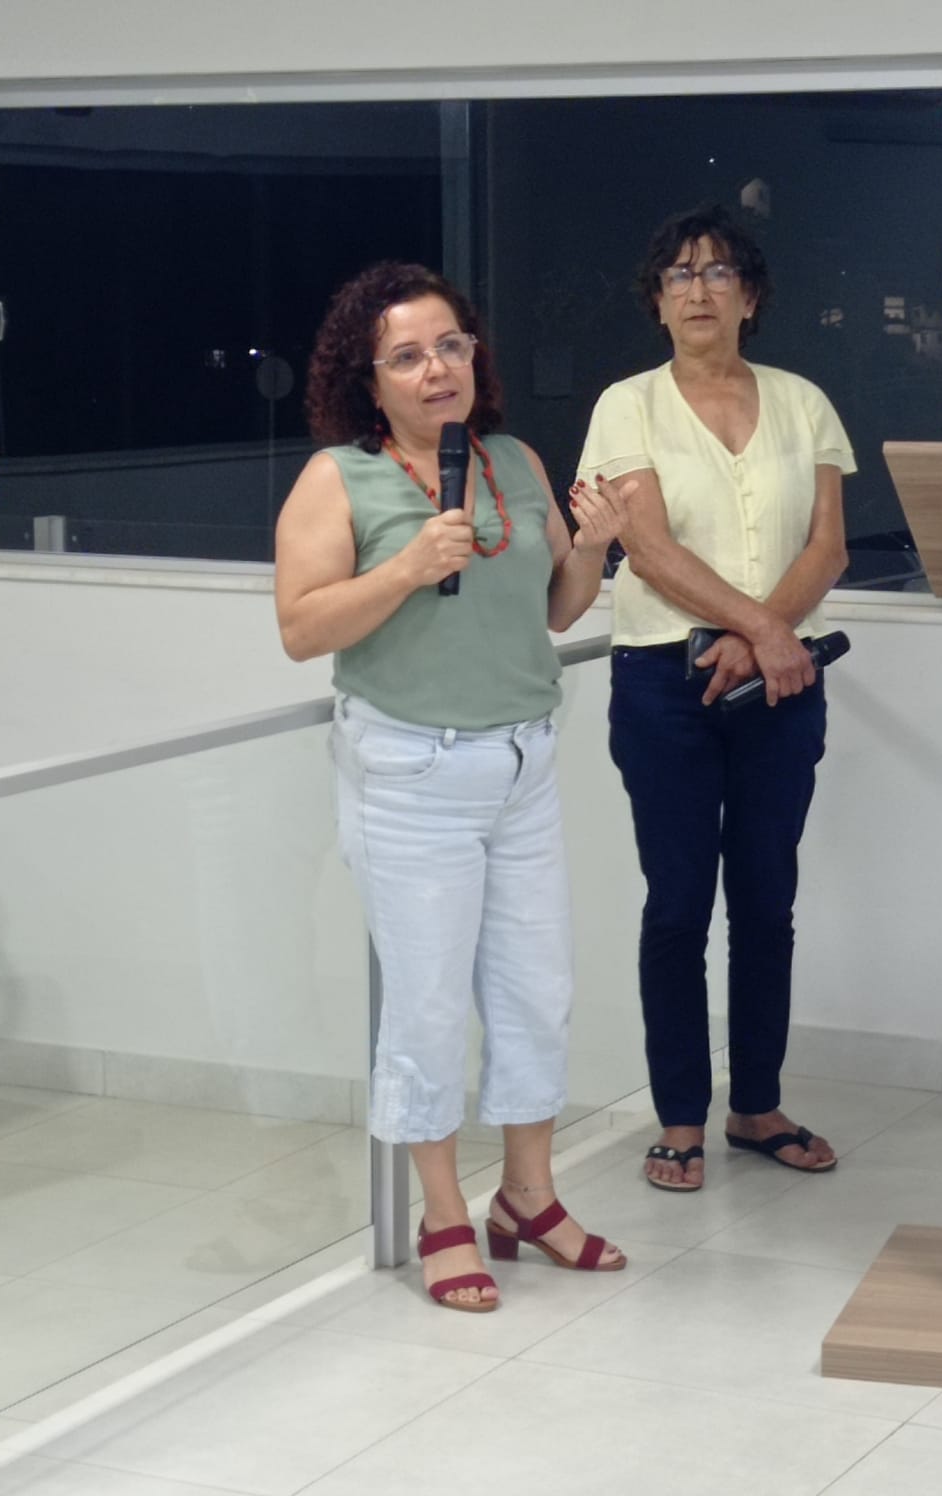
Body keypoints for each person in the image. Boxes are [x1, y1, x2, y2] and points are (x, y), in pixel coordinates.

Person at [275, 262, 626, 1310]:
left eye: (451, 345)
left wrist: (595, 546)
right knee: (427, 1005)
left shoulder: (512, 459)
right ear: (368, 379)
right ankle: (441, 1214)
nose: (438, 369)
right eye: (408, 355)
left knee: (536, 990)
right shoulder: (339, 479)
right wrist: (404, 568)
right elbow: (301, 629)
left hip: (522, 763)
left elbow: (555, 607)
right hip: (410, 772)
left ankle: (528, 1198)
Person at [575, 205, 854, 1192]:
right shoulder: (626, 406)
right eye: (679, 275)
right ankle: (681, 1117)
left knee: (767, 901)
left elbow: (827, 546)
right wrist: (767, 633)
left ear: (751, 295)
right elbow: (646, 548)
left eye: (719, 271)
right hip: (665, 681)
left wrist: (760, 637)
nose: (699, 289)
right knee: (679, 903)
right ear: (657, 302)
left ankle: (756, 1105)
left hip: (779, 682)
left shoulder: (803, 402)